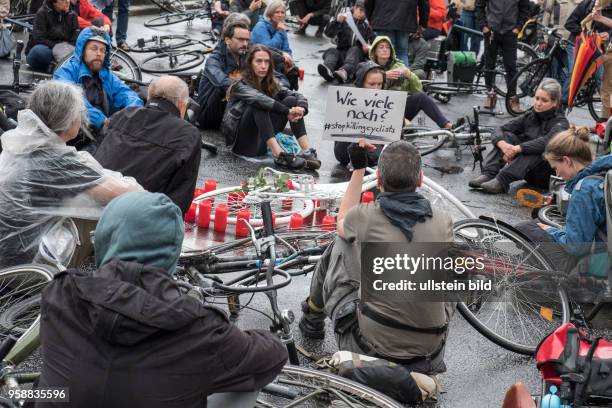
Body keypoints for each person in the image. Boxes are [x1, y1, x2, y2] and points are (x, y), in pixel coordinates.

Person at [36, 191, 289, 408]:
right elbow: (273, 356)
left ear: (104, 236)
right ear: (173, 251)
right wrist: (251, 338)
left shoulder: (61, 292)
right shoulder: (200, 330)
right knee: (244, 382)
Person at [299, 139, 453, 402]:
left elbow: (342, 221)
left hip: (368, 344)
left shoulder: (366, 216)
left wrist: (358, 168)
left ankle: (312, 317)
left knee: (341, 242)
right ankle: (416, 374)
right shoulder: (443, 219)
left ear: (379, 179)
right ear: (421, 179)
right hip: (429, 351)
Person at [0, 80, 143, 269]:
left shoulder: (27, 142)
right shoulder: (54, 158)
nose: (81, 117)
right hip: (25, 263)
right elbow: (128, 194)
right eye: (79, 112)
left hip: (7, 250)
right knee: (106, 213)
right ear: (66, 118)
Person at [94, 76, 201, 215]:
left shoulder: (123, 114)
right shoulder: (188, 134)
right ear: (182, 105)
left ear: (150, 96)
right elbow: (180, 199)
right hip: (140, 217)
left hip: (94, 203)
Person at [515, 127, 612, 274]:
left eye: (555, 167)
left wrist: (552, 230)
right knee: (536, 227)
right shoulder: (603, 175)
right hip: (603, 248)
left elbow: (576, 246)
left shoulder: (584, 189)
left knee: (523, 228)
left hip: (595, 260)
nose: (557, 173)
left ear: (567, 160)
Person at [222, 45, 321, 170]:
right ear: (250, 64)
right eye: (258, 61)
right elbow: (259, 99)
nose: (263, 66)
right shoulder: (239, 85)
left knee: (291, 100)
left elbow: (295, 94)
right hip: (242, 144)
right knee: (259, 104)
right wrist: (287, 111)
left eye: (267, 62)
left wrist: (301, 108)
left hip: (262, 140)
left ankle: (307, 151)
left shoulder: (271, 82)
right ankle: (278, 154)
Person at [469, 78, 569, 194]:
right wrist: (503, 144)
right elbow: (499, 128)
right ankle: (488, 174)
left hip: (546, 175)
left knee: (539, 148)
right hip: (527, 171)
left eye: (544, 100)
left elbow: (547, 142)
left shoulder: (561, 123)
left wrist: (518, 148)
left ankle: (502, 181)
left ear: (555, 102)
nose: (538, 103)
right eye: (537, 98)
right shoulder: (530, 116)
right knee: (506, 136)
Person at [54, 27, 144, 138]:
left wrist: (132, 112)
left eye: (102, 50)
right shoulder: (65, 72)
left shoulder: (106, 75)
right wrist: (102, 120)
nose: (98, 54)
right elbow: (73, 104)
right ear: (83, 50)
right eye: (94, 48)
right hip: (75, 132)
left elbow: (126, 93)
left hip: (105, 128)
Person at [368, 37, 455, 129]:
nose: (385, 49)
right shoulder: (368, 67)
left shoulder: (399, 65)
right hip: (376, 111)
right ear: (375, 51)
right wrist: (383, 76)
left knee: (422, 97)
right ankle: (404, 125)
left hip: (397, 107)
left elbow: (417, 88)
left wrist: (409, 75)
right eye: (381, 47)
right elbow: (362, 90)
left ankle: (447, 125)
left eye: (388, 47)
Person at [475, 0, 531, 111]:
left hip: (510, 32)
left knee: (510, 66)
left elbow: (525, 9)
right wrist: (483, 26)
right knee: (489, 64)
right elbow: (479, 6)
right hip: (491, 31)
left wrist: (518, 27)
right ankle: (490, 94)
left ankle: (512, 99)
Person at [196, 18, 251, 129]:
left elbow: (265, 53)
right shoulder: (214, 59)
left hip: (233, 107)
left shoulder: (245, 53)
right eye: (240, 39)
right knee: (225, 87)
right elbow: (222, 82)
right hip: (208, 115)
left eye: (247, 40)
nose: (245, 44)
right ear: (227, 40)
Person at [318, 0, 375, 84]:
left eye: (365, 12)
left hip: (356, 58)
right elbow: (328, 34)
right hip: (342, 53)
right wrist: (336, 22)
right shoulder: (344, 20)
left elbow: (374, 46)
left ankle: (344, 71)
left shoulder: (367, 27)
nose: (362, 14)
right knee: (332, 51)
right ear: (355, 8)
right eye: (361, 10)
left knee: (354, 49)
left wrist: (368, 48)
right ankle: (327, 69)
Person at [364, 0, 429, 66]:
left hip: (383, 20)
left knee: (383, 51)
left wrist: (369, 18)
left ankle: (382, 75)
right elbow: (424, 3)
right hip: (405, 20)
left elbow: (368, 2)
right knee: (401, 52)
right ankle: (402, 75)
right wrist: (423, 22)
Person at [26, 0, 79, 72]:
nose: (67, 1)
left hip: (65, 49)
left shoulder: (72, 15)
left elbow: (75, 37)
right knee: (39, 52)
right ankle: (59, 64)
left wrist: (67, 47)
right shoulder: (42, 13)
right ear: (54, 2)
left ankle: (55, 65)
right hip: (48, 49)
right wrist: (57, 46)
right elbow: (38, 38)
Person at [251, 1, 295, 69]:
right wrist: (279, 32)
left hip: (277, 60)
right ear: (270, 14)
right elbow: (268, 48)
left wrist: (289, 60)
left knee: (294, 70)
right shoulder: (261, 26)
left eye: (282, 12)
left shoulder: (281, 27)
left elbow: (286, 49)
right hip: (261, 60)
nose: (280, 15)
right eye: (277, 12)